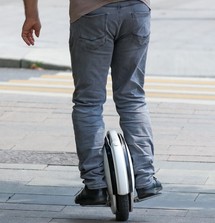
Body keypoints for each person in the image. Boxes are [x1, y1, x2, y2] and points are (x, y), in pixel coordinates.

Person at [22, 0, 162, 206]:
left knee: (88, 102)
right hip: (136, 10)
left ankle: (95, 186)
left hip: (91, 12)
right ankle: (145, 179)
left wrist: (31, 15)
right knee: (132, 98)